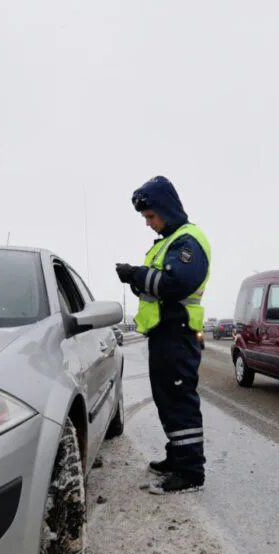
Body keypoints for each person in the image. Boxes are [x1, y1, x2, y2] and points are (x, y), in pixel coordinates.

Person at [116, 176, 211, 494]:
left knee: (179, 400)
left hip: (178, 333)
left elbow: (175, 284)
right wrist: (137, 278)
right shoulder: (169, 242)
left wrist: (136, 275)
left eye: (150, 217)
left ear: (166, 210)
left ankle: (190, 472)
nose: (148, 224)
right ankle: (177, 456)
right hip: (165, 334)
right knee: (168, 399)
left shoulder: (188, 242)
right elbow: (158, 284)